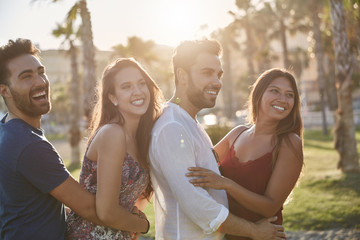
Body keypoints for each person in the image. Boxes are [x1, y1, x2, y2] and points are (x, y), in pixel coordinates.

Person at [148, 39, 285, 240]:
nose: (217, 82)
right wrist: (254, 231)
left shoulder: (188, 122)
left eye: (219, 74)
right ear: (182, 76)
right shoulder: (172, 127)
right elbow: (199, 206)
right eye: (207, 73)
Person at [0, 38, 105, 239]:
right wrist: (140, 224)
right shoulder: (28, 144)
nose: (40, 82)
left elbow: (28, 205)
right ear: (4, 90)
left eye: (41, 72)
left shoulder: (6, 130)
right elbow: (89, 208)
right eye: (26, 77)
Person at [187, 68, 303, 240]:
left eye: (289, 95)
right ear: (259, 93)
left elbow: (269, 207)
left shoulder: (289, 143)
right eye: (275, 91)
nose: (282, 99)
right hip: (227, 235)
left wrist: (227, 184)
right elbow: (200, 163)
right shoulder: (237, 133)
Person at [66, 58, 164, 239]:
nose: (138, 91)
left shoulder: (141, 137)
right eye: (126, 87)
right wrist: (143, 225)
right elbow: (106, 212)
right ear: (113, 98)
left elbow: (132, 199)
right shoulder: (113, 133)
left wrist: (131, 219)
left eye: (141, 83)